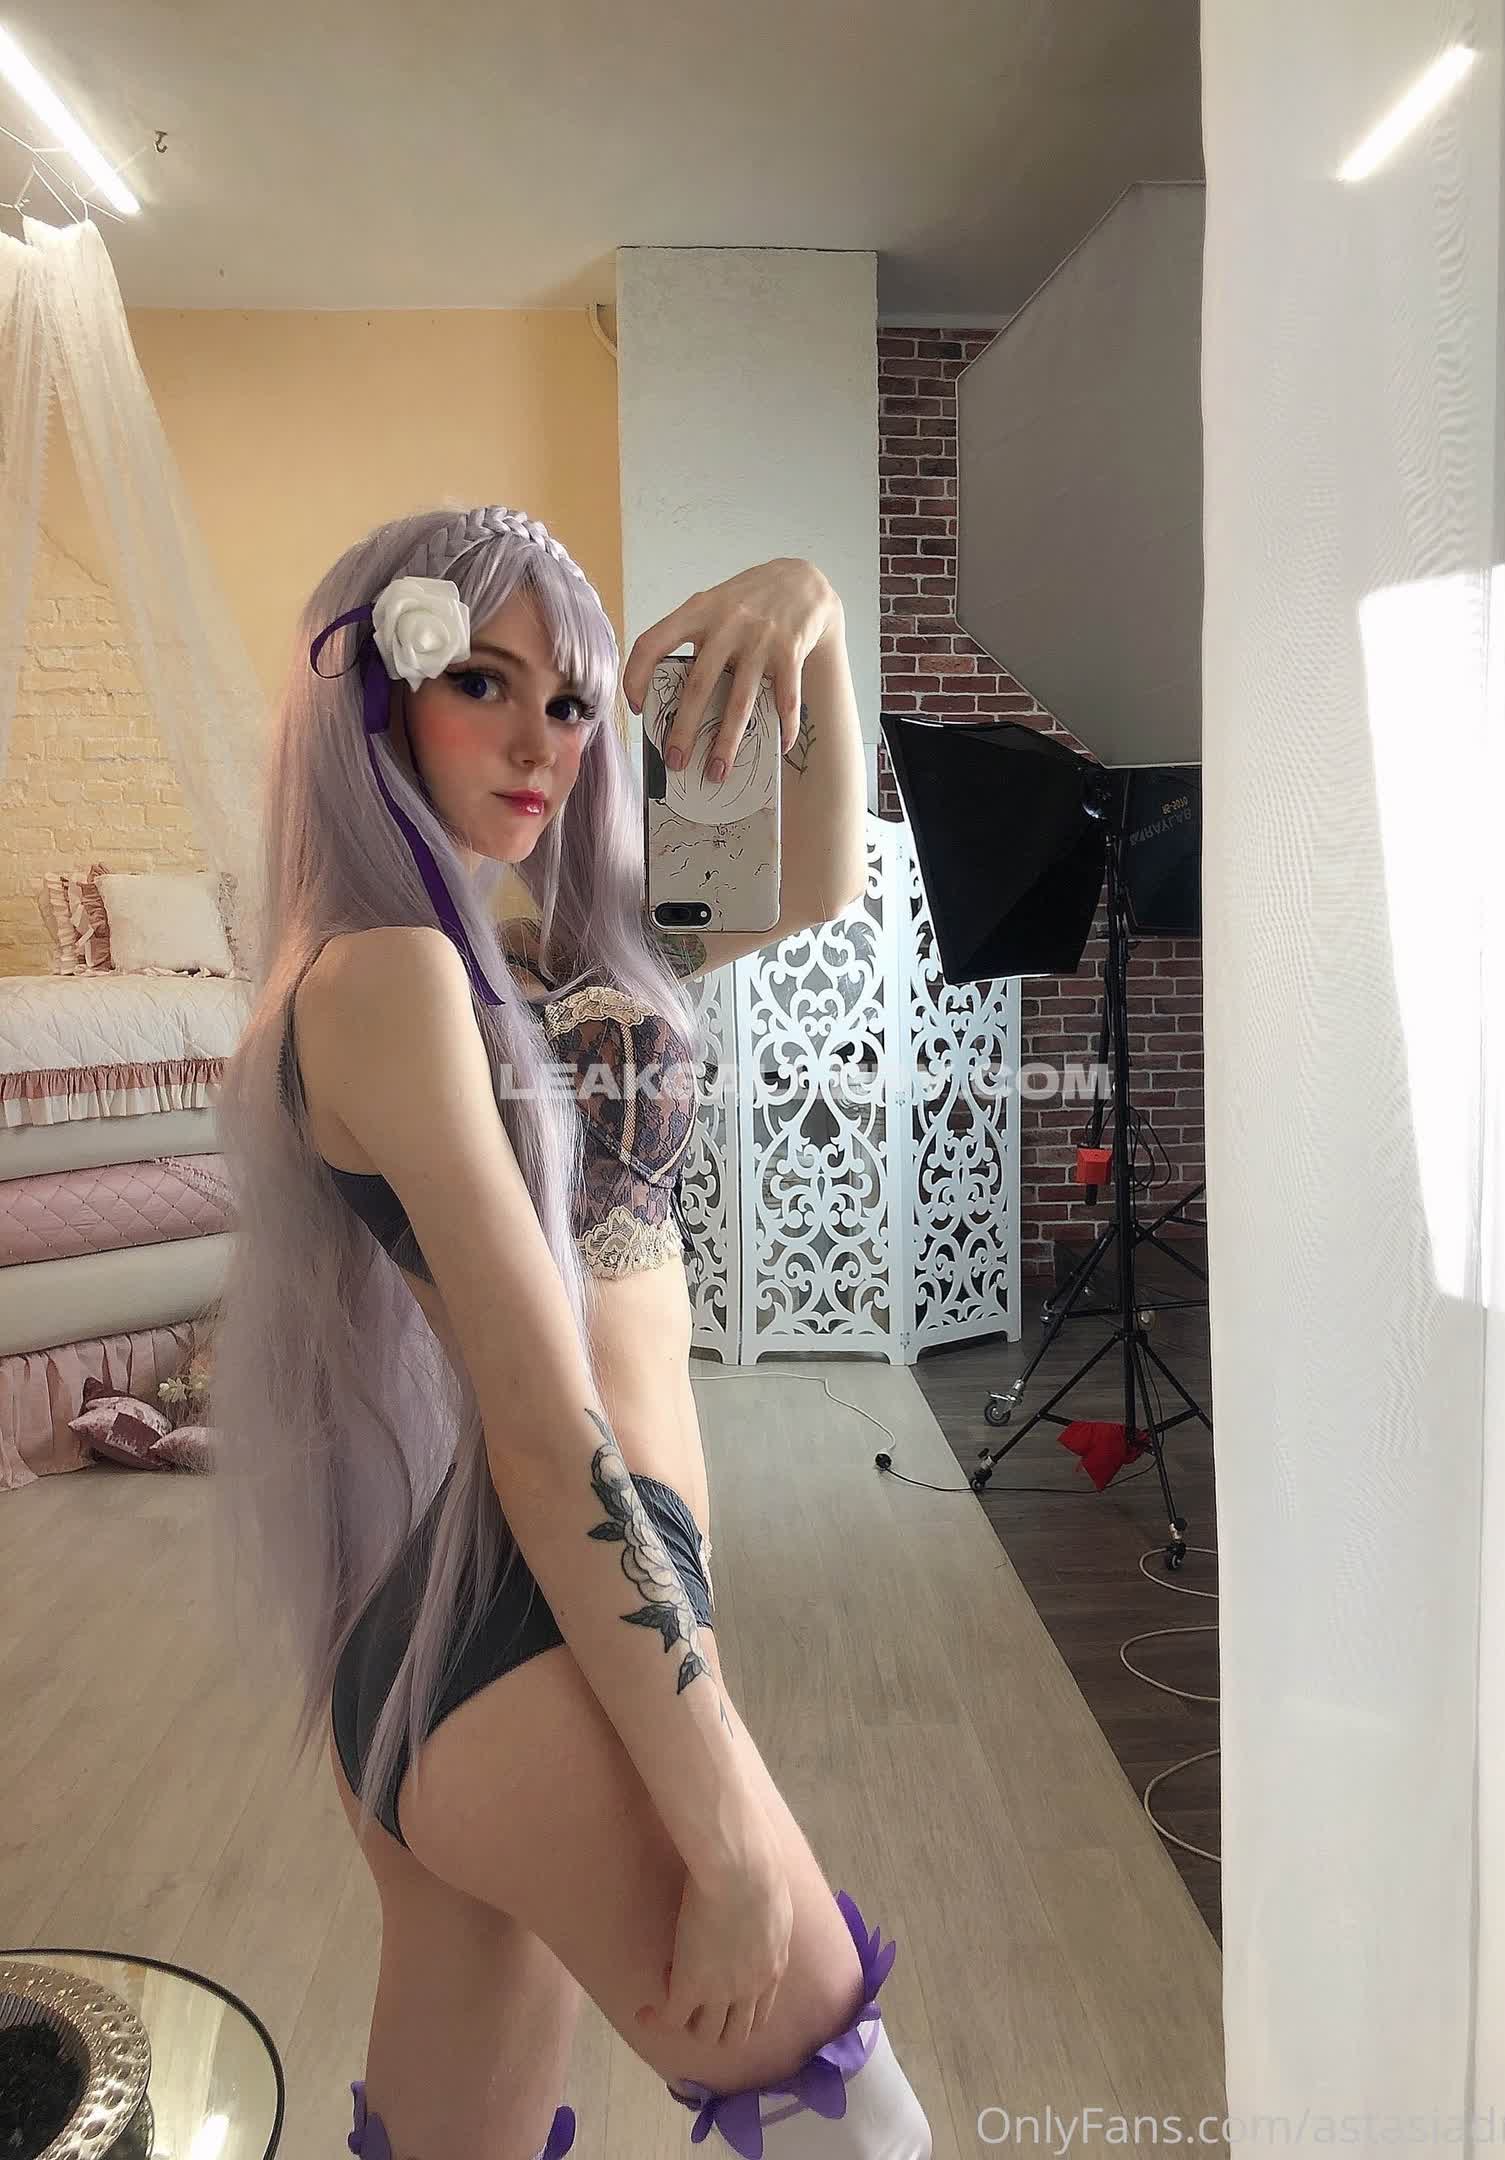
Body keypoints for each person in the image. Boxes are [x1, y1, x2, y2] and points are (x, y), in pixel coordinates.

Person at [209, 505, 931, 2160]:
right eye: (479, 680)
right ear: (373, 696)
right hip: (540, 1613)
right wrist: (726, 1817)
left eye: (569, 700)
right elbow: (544, 1432)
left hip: (491, 1641)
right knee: (861, 2133)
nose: (540, 741)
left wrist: (814, 613)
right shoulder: (388, 978)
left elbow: (818, 878)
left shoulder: (547, 952)